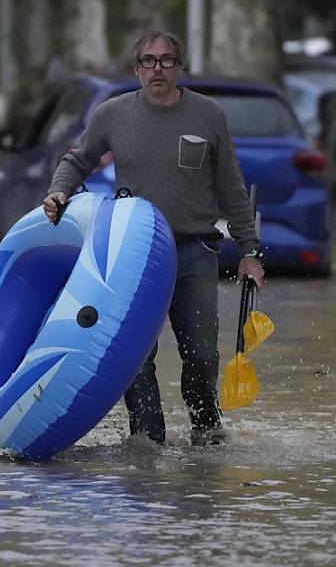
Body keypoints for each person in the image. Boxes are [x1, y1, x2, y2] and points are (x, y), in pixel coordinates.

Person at [42, 31, 264, 446]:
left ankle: (205, 431)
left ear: (180, 67)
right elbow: (76, 161)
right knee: (135, 359)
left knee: (201, 355)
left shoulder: (209, 115)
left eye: (166, 60)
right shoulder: (113, 114)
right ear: (136, 68)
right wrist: (59, 191)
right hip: (135, 255)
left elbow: (232, 188)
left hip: (195, 250)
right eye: (148, 61)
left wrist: (250, 251)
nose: (157, 69)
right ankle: (147, 441)